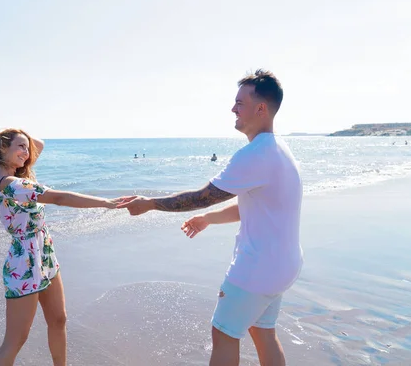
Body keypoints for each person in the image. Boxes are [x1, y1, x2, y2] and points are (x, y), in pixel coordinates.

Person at [118, 70, 302, 366]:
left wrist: (150, 203)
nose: (233, 109)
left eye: (239, 102)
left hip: (257, 268)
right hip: (283, 265)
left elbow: (201, 195)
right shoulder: (279, 150)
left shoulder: (255, 154)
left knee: (224, 333)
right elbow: (255, 207)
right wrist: (209, 219)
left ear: (261, 108)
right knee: (263, 331)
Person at [0, 128, 123, 366]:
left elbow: (39, 143)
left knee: (59, 319)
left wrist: (20, 139)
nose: (27, 152)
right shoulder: (7, 184)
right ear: (2, 149)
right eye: (20, 146)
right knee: (16, 339)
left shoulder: (18, 177)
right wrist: (106, 203)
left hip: (44, 254)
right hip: (25, 263)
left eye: (26, 148)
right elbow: (60, 198)